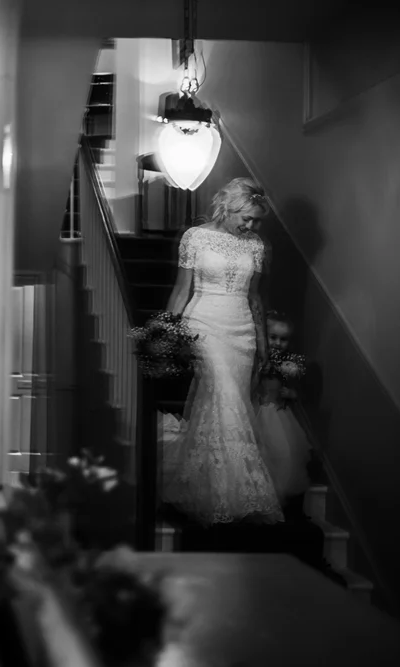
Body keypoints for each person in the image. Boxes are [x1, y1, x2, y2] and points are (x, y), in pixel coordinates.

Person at [160, 177, 284, 526]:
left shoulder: (255, 245)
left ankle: (206, 485)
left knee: (232, 402)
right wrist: (166, 332)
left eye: (256, 220)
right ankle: (232, 493)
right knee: (222, 395)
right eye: (245, 217)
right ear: (226, 208)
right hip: (204, 324)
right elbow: (181, 290)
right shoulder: (195, 238)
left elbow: (255, 297)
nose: (251, 225)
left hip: (241, 329)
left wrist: (262, 346)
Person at [255, 311, 312, 508]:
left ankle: (274, 497)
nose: (278, 343)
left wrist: (291, 392)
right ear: (264, 337)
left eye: (284, 339)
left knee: (283, 451)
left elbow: (298, 382)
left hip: (277, 412)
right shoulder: (259, 359)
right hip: (257, 409)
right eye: (273, 337)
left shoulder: (288, 362)